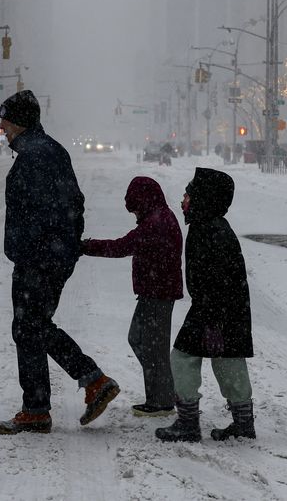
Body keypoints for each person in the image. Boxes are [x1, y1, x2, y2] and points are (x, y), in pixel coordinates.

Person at [0, 90, 120, 435]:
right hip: (51, 255)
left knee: (29, 325)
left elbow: (47, 211)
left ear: (20, 121)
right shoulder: (46, 151)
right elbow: (72, 203)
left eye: (5, 118)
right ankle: (40, 406)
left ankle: (90, 380)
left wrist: (32, 249)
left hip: (40, 258)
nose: (1, 125)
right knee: (31, 327)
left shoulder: (36, 156)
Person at [156, 168, 256, 443]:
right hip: (224, 311)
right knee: (228, 362)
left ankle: (188, 423)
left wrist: (213, 321)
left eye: (188, 194)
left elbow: (219, 280)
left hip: (214, 311)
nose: (183, 201)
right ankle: (243, 423)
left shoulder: (209, 230)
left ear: (203, 198)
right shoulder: (211, 226)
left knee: (183, 360)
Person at [81, 177, 184, 418]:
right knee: (139, 339)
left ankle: (162, 401)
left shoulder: (156, 223)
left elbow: (121, 246)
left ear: (145, 202)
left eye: (136, 208)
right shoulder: (158, 217)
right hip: (153, 291)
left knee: (153, 347)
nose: (135, 213)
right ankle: (164, 392)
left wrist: (86, 247)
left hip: (158, 293)